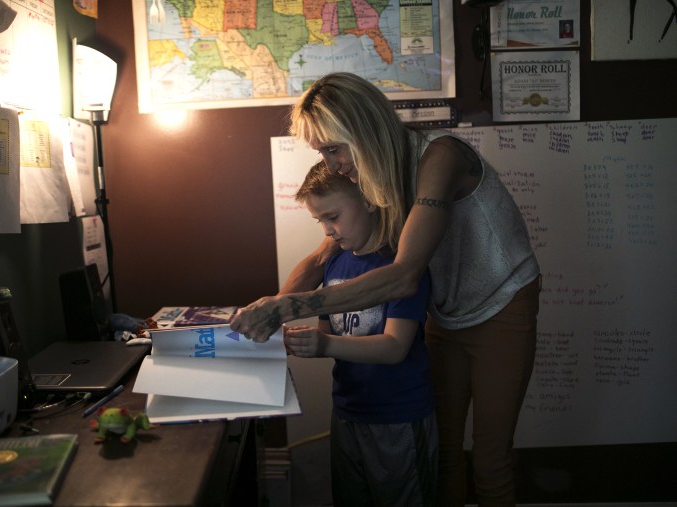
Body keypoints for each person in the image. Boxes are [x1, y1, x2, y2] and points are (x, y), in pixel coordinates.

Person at [231, 72, 541, 506]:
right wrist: (271, 308)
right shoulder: (374, 175)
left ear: (361, 130)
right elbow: (321, 260)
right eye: (322, 153)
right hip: (447, 310)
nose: (332, 164)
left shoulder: (441, 158)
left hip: (502, 305)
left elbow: (403, 275)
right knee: (446, 452)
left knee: (490, 461)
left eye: (333, 149)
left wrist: (286, 311)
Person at [286, 160, 436, 506]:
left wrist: (323, 344)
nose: (327, 230)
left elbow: (396, 346)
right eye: (319, 220)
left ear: (369, 199)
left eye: (333, 217)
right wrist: (302, 341)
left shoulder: (398, 266)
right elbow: (328, 330)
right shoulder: (336, 263)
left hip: (398, 417)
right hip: (347, 413)